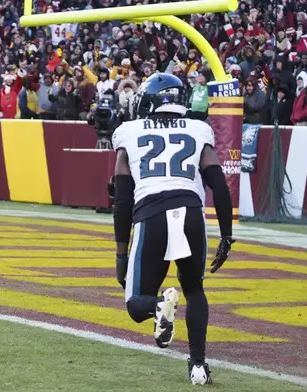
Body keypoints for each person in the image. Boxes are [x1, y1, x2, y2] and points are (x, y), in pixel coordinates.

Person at [111, 73, 235, 385]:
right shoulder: (197, 129)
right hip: (191, 212)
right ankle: (198, 366)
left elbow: (122, 199)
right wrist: (227, 234)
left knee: (136, 305)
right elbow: (218, 185)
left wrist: (121, 252)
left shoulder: (128, 132)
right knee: (195, 290)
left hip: (151, 213)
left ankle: (158, 306)